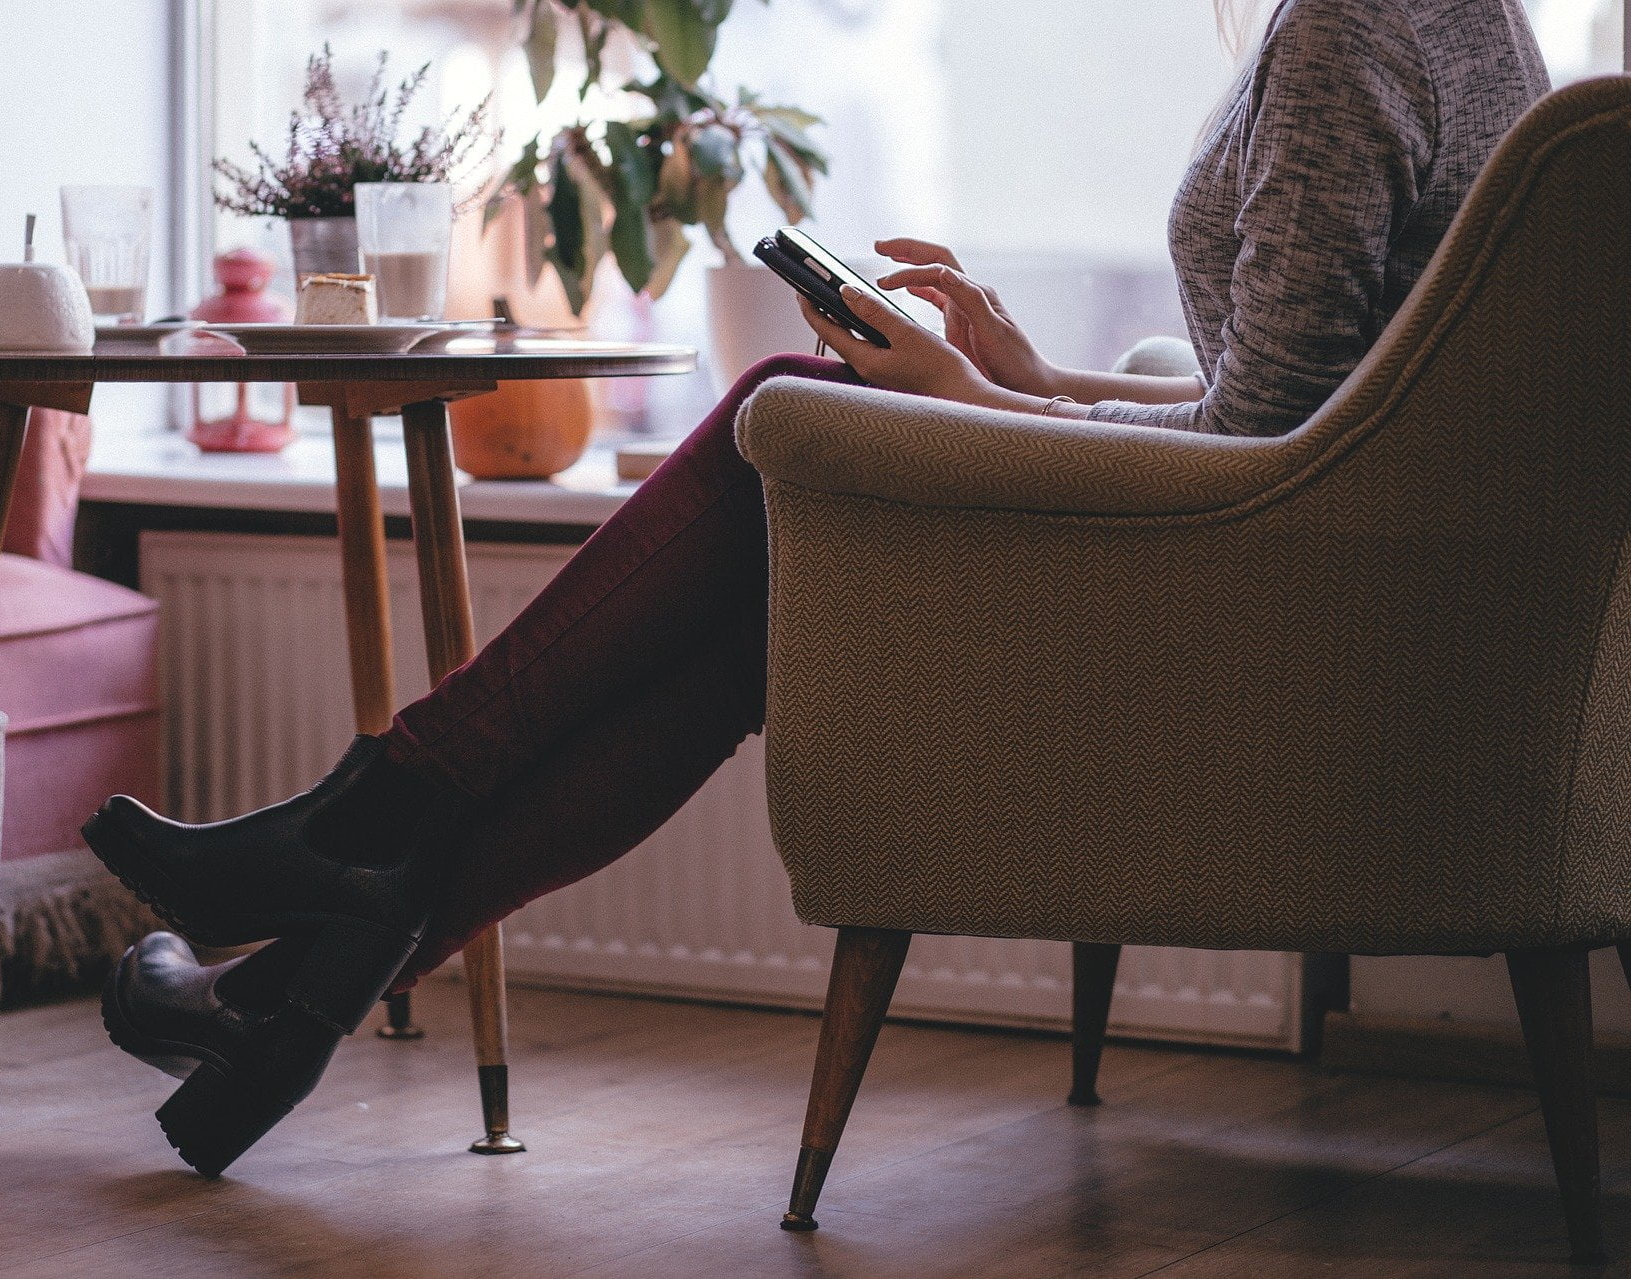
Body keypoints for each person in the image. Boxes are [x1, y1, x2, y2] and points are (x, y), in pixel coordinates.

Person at [87, 0, 1551, 1176]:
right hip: (1314, 604)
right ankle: (294, 990)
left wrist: (975, 395)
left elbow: (1262, 450)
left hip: (1241, 640)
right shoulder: (1469, 27)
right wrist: (1029, 382)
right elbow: (1309, 420)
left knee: (776, 407)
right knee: (746, 629)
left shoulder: (1352, 30)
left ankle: (352, 845)